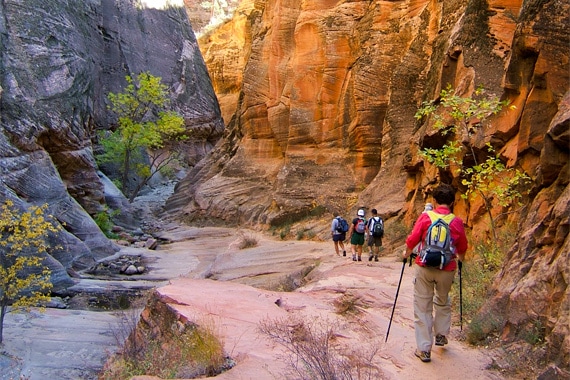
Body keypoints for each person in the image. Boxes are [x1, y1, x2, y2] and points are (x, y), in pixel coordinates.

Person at [402, 184, 468, 363]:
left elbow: (413, 239)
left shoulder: (425, 217)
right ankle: (441, 334)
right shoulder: (456, 222)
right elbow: (462, 247)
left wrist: (406, 254)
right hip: (446, 268)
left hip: (424, 267)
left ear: (434, 200)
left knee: (422, 306)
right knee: (443, 299)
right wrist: (459, 259)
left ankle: (424, 349)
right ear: (453, 202)